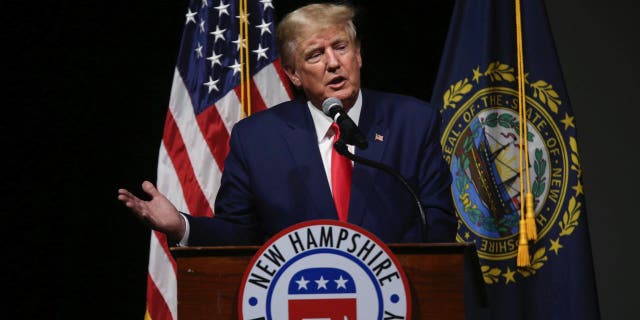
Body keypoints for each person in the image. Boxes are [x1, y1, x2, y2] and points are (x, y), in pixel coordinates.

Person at [118, 2, 456, 246]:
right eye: (315, 55)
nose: (333, 63)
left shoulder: (414, 121)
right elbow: (239, 232)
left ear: (359, 55)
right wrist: (181, 226)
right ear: (293, 74)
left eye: (341, 47)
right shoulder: (257, 139)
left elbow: (437, 221)